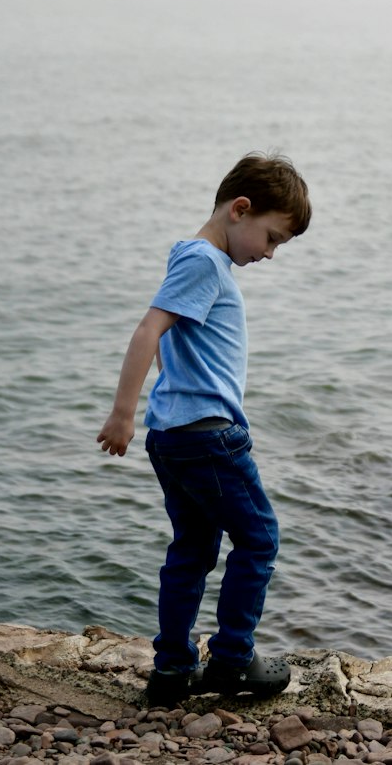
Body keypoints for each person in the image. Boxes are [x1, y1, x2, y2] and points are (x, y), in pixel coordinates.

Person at [96, 152, 312, 707]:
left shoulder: (192, 261)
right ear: (240, 210)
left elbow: (174, 345)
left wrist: (155, 408)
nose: (269, 253)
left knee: (192, 549)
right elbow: (149, 329)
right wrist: (122, 412)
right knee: (260, 540)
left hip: (175, 436)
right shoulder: (203, 262)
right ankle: (234, 659)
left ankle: (172, 670)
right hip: (208, 436)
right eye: (271, 238)